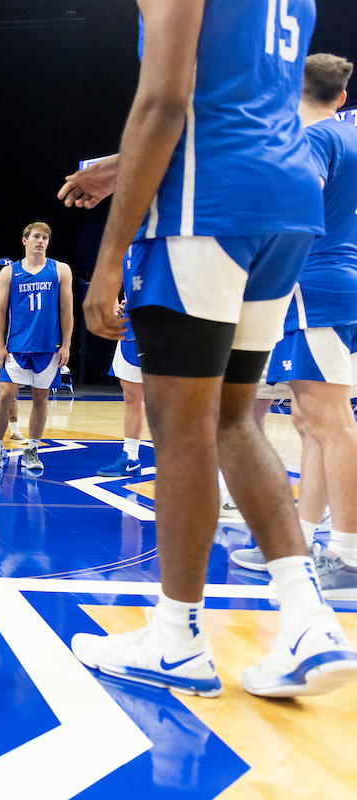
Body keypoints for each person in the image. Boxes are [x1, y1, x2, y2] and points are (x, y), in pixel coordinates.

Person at [65, 0, 356, 698]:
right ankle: (308, 619)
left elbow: (166, 101)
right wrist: (120, 162)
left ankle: (176, 639)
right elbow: (246, 95)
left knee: (183, 427)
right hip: (284, 206)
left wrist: (109, 258)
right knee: (230, 419)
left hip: (207, 204)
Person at [230, 53, 357, 594]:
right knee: (309, 420)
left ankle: (348, 557)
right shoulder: (348, 136)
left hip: (316, 285)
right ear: (342, 97)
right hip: (336, 282)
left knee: (332, 422)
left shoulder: (314, 140)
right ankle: (301, 541)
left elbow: (293, 213)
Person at [0, 223, 73, 472]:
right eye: (36, 237)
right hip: (16, 346)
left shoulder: (61, 270)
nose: (40, 241)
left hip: (48, 346)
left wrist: (67, 344)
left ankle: (32, 449)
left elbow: (67, 310)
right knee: (5, 395)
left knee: (40, 398)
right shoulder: (10, 272)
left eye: (45, 238)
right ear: (24, 241)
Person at [98, 247, 146, 477]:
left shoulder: (168, 237)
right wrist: (115, 302)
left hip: (166, 328)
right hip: (132, 327)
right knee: (131, 394)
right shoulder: (125, 246)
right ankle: (131, 456)